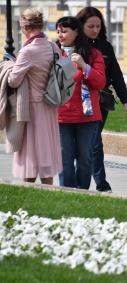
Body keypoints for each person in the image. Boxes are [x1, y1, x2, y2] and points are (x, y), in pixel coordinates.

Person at [76, 7, 127, 193]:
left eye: (98, 26)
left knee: (94, 140)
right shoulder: (73, 45)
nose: (95, 30)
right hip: (76, 100)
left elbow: (115, 73)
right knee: (84, 141)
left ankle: (101, 184)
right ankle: (80, 180)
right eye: (90, 26)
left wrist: (125, 99)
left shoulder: (105, 46)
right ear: (80, 26)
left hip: (101, 100)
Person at [7, 7, 62, 185]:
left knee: (29, 151)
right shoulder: (53, 46)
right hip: (50, 104)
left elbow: (14, 81)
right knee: (46, 151)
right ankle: (48, 189)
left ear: (25, 27)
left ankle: (28, 188)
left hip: (31, 108)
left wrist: (8, 67)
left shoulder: (28, 51)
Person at [56, 16, 106, 189]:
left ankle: (82, 193)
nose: (60, 35)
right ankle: (67, 193)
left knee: (85, 159)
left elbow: (100, 83)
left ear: (76, 31)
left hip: (87, 117)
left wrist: (85, 66)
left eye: (64, 31)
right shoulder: (55, 54)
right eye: (58, 31)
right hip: (62, 116)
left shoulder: (93, 54)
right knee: (65, 160)